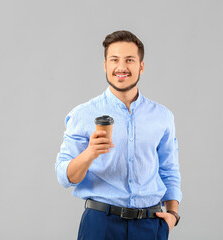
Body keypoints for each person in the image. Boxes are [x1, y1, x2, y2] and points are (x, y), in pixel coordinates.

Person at [55, 30, 182, 240]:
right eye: (114, 60)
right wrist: (90, 153)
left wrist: (173, 215)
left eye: (129, 60)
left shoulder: (162, 116)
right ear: (105, 65)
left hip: (150, 225)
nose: (121, 67)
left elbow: (169, 170)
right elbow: (65, 177)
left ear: (141, 66)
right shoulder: (83, 114)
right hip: (101, 225)